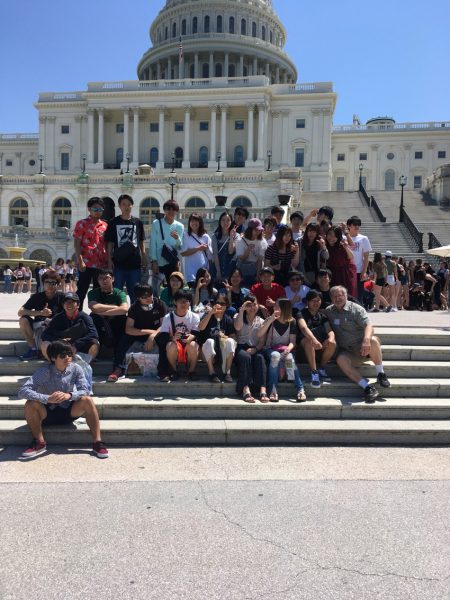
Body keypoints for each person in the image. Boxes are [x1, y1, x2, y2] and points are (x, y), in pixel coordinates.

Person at [18, 340, 108, 459]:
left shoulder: (76, 369)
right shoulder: (44, 371)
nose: (68, 358)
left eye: (70, 354)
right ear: (53, 358)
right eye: (63, 355)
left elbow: (85, 390)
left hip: (68, 411)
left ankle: (97, 442)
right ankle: (39, 442)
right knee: (30, 403)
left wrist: (69, 395)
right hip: (46, 413)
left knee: (87, 400)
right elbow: (23, 391)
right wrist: (47, 398)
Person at [326, 286, 390, 403]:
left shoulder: (356, 309)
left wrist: (366, 340)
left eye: (340, 296)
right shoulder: (329, 311)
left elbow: (369, 326)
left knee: (373, 340)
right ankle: (367, 387)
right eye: (334, 296)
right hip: (348, 352)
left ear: (346, 296)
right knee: (341, 360)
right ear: (331, 298)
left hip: (364, 349)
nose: (337, 299)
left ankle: (381, 374)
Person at [110, 284, 168, 381]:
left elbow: (164, 325)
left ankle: (163, 371)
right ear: (138, 298)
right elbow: (129, 329)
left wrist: (152, 335)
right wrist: (149, 332)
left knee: (165, 339)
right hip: (139, 333)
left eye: (150, 295)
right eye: (144, 297)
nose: (148, 298)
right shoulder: (134, 307)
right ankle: (118, 369)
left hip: (157, 333)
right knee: (124, 338)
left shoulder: (160, 304)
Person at [257, 298, 306, 402]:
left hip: (285, 349)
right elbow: (259, 334)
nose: (274, 308)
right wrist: (270, 319)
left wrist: (288, 348)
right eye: (274, 306)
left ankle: (300, 388)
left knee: (290, 359)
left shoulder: (292, 321)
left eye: (277, 306)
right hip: (270, 349)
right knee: (275, 356)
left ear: (284, 308)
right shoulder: (270, 319)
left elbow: (292, 341)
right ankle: (273, 389)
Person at [87, 269, 129, 380]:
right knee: (91, 318)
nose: (104, 281)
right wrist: (115, 307)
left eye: (107, 278)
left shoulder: (119, 293)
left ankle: (118, 369)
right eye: (101, 278)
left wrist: (103, 312)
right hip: (100, 323)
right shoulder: (93, 293)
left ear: (113, 279)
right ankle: (87, 362)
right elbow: (94, 307)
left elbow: (124, 309)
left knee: (123, 323)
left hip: (116, 323)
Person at [105, 193, 146, 305]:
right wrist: (109, 260)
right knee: (117, 291)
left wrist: (144, 257)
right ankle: (117, 316)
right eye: (123, 204)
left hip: (135, 264)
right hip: (119, 264)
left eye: (129, 204)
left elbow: (141, 242)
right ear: (119, 206)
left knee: (135, 292)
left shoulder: (138, 222)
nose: (126, 207)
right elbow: (110, 244)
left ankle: (134, 316)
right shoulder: (113, 222)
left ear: (132, 206)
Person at [18, 272, 65, 361]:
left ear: (58, 285)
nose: (50, 285)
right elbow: (20, 312)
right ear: (43, 283)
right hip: (38, 328)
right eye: (47, 282)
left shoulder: (63, 297)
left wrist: (53, 321)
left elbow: (69, 314)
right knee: (23, 320)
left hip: (55, 330)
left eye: (53, 283)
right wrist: (41, 313)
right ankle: (33, 349)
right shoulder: (37, 297)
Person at [40, 292, 99, 362]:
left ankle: (85, 365)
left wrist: (76, 345)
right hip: (61, 347)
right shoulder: (57, 318)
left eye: (72, 302)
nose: (69, 304)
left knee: (95, 343)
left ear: (78, 305)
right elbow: (45, 334)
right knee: (44, 344)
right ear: (63, 305)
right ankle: (55, 365)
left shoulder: (85, 317)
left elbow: (94, 334)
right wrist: (60, 341)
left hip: (79, 348)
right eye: (66, 302)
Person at [73, 197, 109, 310]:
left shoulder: (105, 225)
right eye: (95, 208)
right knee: (82, 290)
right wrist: (80, 260)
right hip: (86, 263)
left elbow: (107, 245)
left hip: (100, 264)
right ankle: (77, 314)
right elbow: (77, 244)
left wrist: (108, 261)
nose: (98, 211)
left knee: (99, 291)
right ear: (89, 209)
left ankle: (97, 315)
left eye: (101, 209)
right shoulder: (81, 224)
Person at [159, 290, 200, 381]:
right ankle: (174, 371)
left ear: (189, 303)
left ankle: (191, 371)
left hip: (188, 346)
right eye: (181, 301)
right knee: (170, 346)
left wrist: (192, 337)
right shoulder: (168, 317)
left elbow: (197, 333)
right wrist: (172, 337)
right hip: (175, 345)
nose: (183, 304)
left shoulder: (195, 316)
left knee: (194, 345)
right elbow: (163, 336)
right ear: (175, 302)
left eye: (186, 301)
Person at [298, 290, 336, 388]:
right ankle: (314, 372)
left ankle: (321, 367)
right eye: (313, 300)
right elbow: (303, 328)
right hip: (304, 349)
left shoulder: (322, 315)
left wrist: (330, 339)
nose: (316, 303)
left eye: (318, 300)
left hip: (320, 347)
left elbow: (329, 330)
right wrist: (314, 340)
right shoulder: (301, 313)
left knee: (332, 343)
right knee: (309, 341)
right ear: (307, 302)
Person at [233, 295, 268, 403]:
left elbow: (262, 341)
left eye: (254, 305)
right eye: (249, 305)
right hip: (241, 347)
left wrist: (256, 349)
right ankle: (245, 388)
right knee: (245, 357)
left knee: (260, 358)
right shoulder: (237, 316)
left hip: (255, 347)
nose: (252, 308)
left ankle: (262, 388)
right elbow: (238, 327)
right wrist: (242, 310)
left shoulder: (261, 321)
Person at [197, 293, 236, 382]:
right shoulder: (207, 315)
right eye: (217, 303)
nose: (220, 306)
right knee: (210, 341)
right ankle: (212, 373)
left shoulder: (228, 319)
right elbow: (200, 327)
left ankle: (227, 373)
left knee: (230, 341)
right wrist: (210, 313)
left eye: (223, 304)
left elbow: (234, 338)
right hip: (207, 353)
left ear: (226, 306)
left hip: (222, 351)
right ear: (213, 304)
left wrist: (225, 337)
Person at [150, 199, 184, 283]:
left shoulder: (180, 226)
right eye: (168, 209)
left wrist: (177, 238)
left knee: (172, 287)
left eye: (174, 209)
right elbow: (153, 243)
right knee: (155, 288)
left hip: (172, 261)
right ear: (164, 210)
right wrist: (154, 261)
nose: (171, 211)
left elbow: (179, 246)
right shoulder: (156, 223)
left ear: (177, 211)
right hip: (158, 261)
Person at [325, 225, 357, 298]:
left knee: (346, 294)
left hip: (344, 273)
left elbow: (351, 256)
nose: (331, 238)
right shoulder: (325, 245)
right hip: (332, 273)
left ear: (338, 237)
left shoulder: (341, 246)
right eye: (330, 234)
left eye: (334, 236)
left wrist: (346, 247)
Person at [180, 213, 213, 284]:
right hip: (190, 273)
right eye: (192, 221)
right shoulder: (185, 236)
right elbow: (183, 253)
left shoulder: (206, 237)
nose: (194, 223)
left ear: (200, 223)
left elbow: (210, 256)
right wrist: (198, 248)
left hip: (204, 271)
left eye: (196, 221)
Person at [347, 216, 372, 303]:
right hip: (347, 270)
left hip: (358, 271)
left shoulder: (363, 238)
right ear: (349, 226)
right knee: (348, 293)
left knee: (359, 294)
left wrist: (364, 271)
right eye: (355, 224)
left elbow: (366, 257)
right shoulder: (343, 237)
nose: (357, 226)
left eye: (359, 224)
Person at [235, 219, 267, 287]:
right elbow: (242, 258)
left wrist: (258, 275)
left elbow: (260, 259)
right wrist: (248, 250)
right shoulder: (241, 240)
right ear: (250, 230)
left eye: (259, 230)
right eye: (255, 230)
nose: (258, 232)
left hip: (255, 270)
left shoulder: (262, 241)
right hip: (242, 270)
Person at [210, 211, 238, 284]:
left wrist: (231, 237)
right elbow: (215, 254)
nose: (225, 222)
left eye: (228, 220)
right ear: (220, 222)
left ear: (231, 222)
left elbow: (231, 251)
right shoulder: (215, 236)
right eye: (223, 220)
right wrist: (218, 271)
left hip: (230, 269)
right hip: (217, 268)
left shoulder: (236, 235)